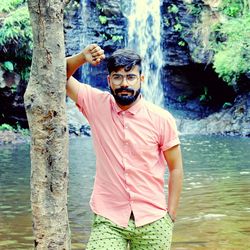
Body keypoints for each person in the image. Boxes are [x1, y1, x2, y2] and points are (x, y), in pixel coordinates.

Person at [66, 44, 183, 250]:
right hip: (109, 219)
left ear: (142, 80)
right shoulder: (96, 105)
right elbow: (58, 75)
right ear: (109, 81)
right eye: (118, 77)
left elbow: (176, 168)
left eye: (130, 77)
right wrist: (81, 58)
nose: (124, 83)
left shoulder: (162, 119)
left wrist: (170, 215)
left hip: (153, 219)